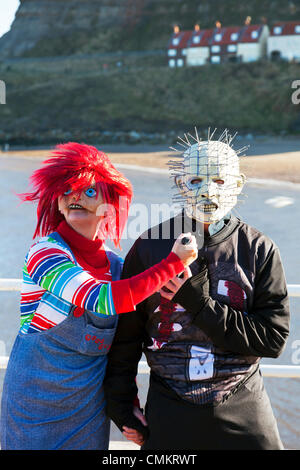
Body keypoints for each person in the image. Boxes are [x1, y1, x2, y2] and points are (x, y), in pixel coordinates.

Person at [0, 142, 198, 450]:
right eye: (67, 190)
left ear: (109, 203)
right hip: (32, 408)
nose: (76, 197)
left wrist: (127, 408)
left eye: (89, 191)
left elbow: (123, 344)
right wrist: (173, 263)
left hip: (87, 410)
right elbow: (101, 298)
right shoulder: (45, 253)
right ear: (58, 202)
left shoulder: (118, 267)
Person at [104, 129, 290, 450]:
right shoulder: (149, 248)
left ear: (238, 184)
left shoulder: (259, 249)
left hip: (243, 402)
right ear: (180, 185)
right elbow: (126, 337)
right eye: (194, 182)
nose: (207, 191)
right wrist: (122, 409)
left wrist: (199, 304)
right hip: (169, 405)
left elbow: (272, 340)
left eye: (219, 181)